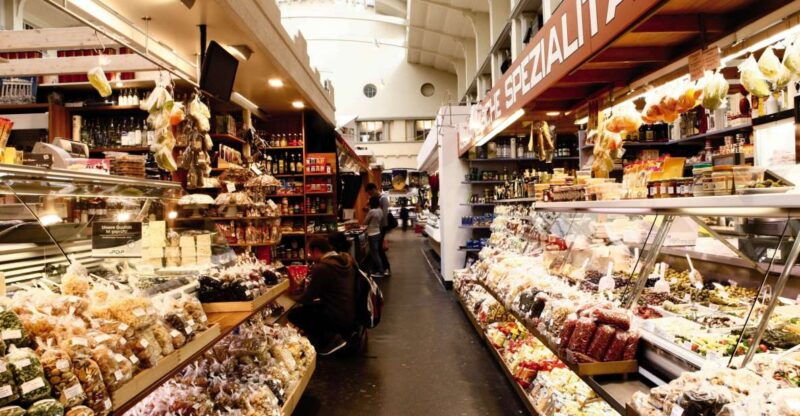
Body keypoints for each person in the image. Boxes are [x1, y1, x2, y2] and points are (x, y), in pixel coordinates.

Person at [289, 237, 357, 356]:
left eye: (310, 253)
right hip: (351, 312)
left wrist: (291, 298)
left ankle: (330, 340)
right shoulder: (346, 261)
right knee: (314, 309)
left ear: (316, 250)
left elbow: (308, 297)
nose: (310, 256)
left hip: (336, 316)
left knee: (295, 314)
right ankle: (329, 336)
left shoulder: (323, 268)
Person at [365, 183, 391, 276]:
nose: (369, 195)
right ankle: (380, 268)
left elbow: (383, 215)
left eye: (370, 193)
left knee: (379, 249)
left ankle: (386, 268)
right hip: (378, 228)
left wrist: (379, 226)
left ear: (373, 190)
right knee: (377, 249)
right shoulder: (378, 198)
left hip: (381, 227)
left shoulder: (383, 198)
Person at [363, 196, 385, 277]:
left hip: (372, 234)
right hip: (378, 232)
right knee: (375, 253)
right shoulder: (380, 210)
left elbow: (365, 222)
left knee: (374, 253)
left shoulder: (372, 211)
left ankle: (380, 271)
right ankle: (374, 269)